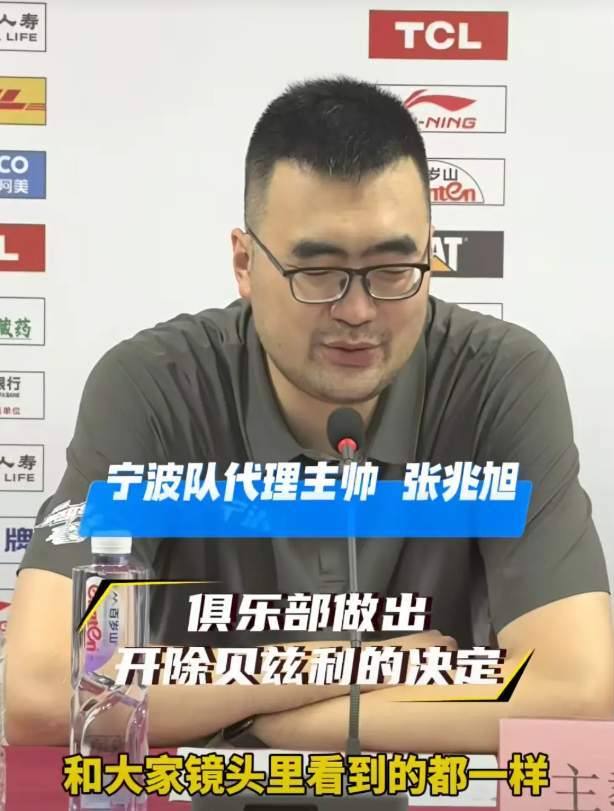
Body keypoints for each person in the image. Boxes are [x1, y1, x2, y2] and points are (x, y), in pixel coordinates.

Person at [5, 77, 614, 754]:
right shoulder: (153, 388)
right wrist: (338, 665)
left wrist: (252, 719)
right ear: (245, 262)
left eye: (393, 268)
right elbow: (41, 689)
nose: (357, 311)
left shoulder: (497, 380)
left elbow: (578, 693)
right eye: (317, 273)